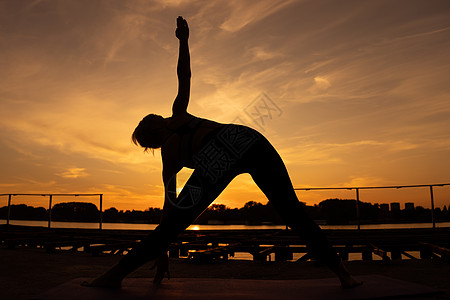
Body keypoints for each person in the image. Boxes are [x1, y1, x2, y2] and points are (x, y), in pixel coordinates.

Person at [83, 16, 361, 289]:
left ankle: (114, 275)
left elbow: (169, 215)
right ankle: (344, 275)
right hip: (246, 137)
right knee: (293, 213)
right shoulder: (178, 114)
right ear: (156, 121)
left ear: (150, 142)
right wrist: (184, 40)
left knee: (175, 222)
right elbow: (184, 75)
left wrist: (162, 250)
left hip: (221, 151)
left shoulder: (169, 153)